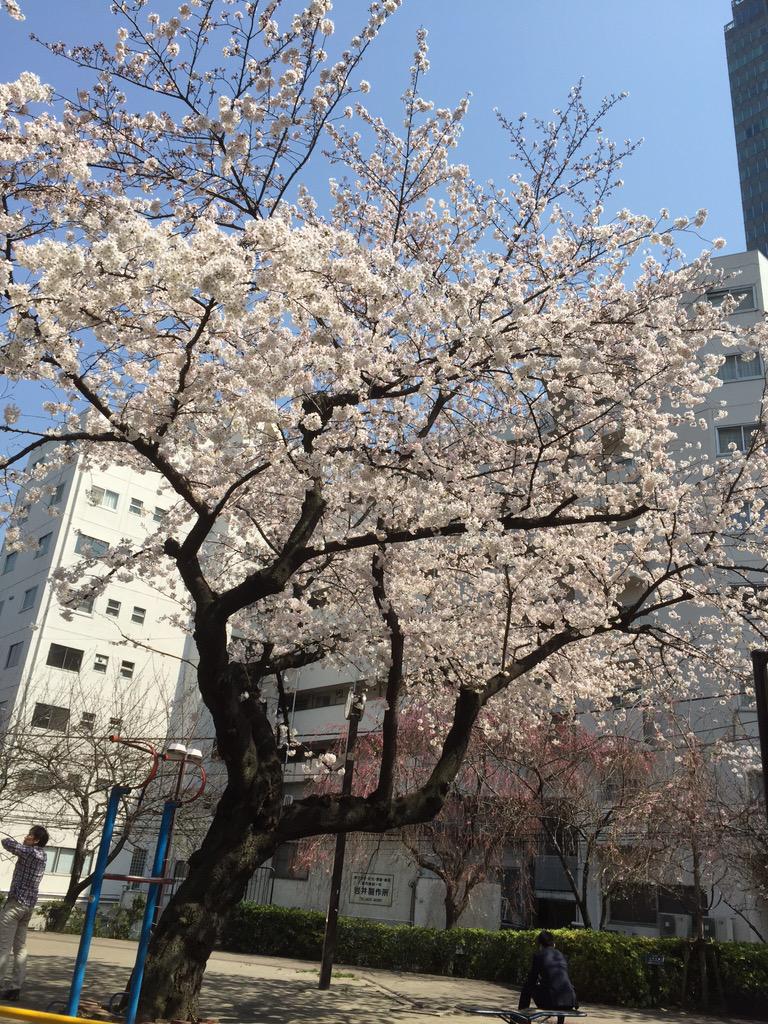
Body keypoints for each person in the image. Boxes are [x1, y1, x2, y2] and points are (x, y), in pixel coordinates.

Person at [0, 826, 49, 1002]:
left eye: (29, 835)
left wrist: (23, 843)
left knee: (3, 946)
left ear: (35, 840)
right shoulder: (43, 855)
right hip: (28, 907)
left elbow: (6, 842)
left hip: (15, 905)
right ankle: (15, 988)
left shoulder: (29, 852)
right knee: (20, 947)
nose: (26, 837)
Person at [518, 930, 578, 1022]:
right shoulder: (562, 956)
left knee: (527, 987)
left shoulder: (539, 956)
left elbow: (532, 979)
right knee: (558, 987)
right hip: (570, 1001)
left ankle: (522, 1018)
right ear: (554, 944)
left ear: (540, 945)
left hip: (551, 1001)